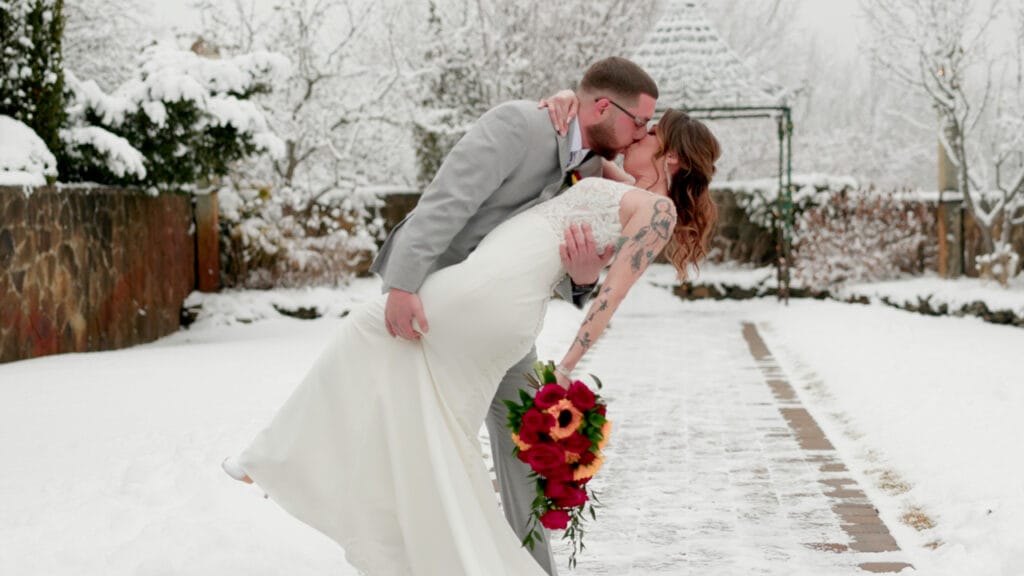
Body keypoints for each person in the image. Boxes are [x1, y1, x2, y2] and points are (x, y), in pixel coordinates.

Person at [223, 108, 721, 575]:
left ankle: (278, 463)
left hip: (490, 296)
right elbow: (576, 143)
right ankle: (460, 552)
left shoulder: (658, 211)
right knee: (439, 425)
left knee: (370, 331)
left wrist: (568, 363)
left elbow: (610, 296)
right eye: (641, 123)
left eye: (651, 132)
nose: (639, 134)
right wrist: (564, 99)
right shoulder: (613, 178)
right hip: (491, 294)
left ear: (672, 158)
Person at [370, 56, 658, 575]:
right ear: (601, 106)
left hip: (506, 325)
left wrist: (584, 276)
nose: (641, 134)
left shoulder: (593, 170)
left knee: (529, 443)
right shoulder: (520, 124)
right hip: (436, 303)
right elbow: (446, 201)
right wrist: (403, 284)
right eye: (639, 122)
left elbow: (557, 253)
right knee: (423, 440)